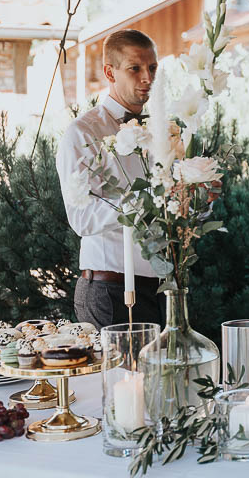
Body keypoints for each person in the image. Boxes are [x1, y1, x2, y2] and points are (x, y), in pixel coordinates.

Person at [58, 30, 163, 329]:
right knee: (119, 378)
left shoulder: (163, 128)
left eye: (152, 68)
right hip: (110, 290)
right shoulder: (83, 133)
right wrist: (142, 203)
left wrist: (195, 199)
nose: (147, 77)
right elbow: (82, 217)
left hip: (162, 288)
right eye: (135, 68)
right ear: (109, 72)